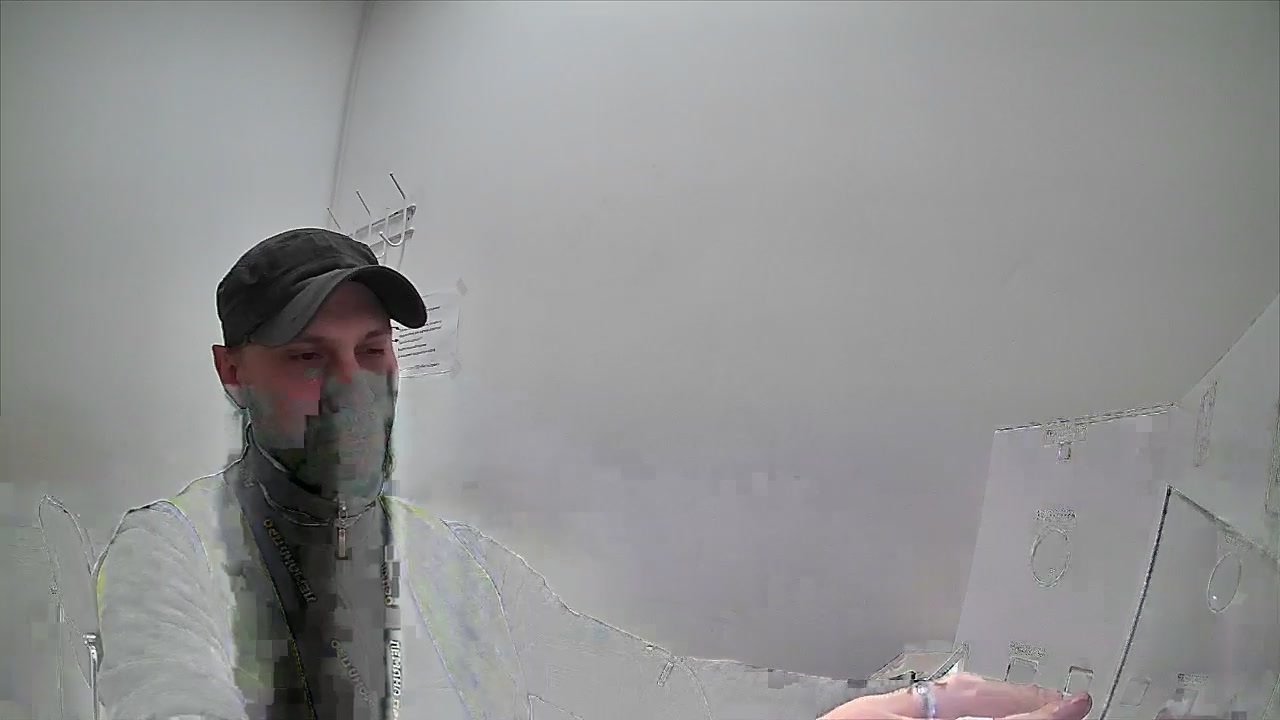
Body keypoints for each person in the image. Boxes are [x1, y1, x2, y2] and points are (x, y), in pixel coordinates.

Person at [94, 228, 1093, 720]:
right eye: (308, 358)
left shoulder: (445, 560)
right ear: (232, 372)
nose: (354, 389)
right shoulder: (166, 556)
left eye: (373, 352)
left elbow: (633, 685)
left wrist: (899, 703)